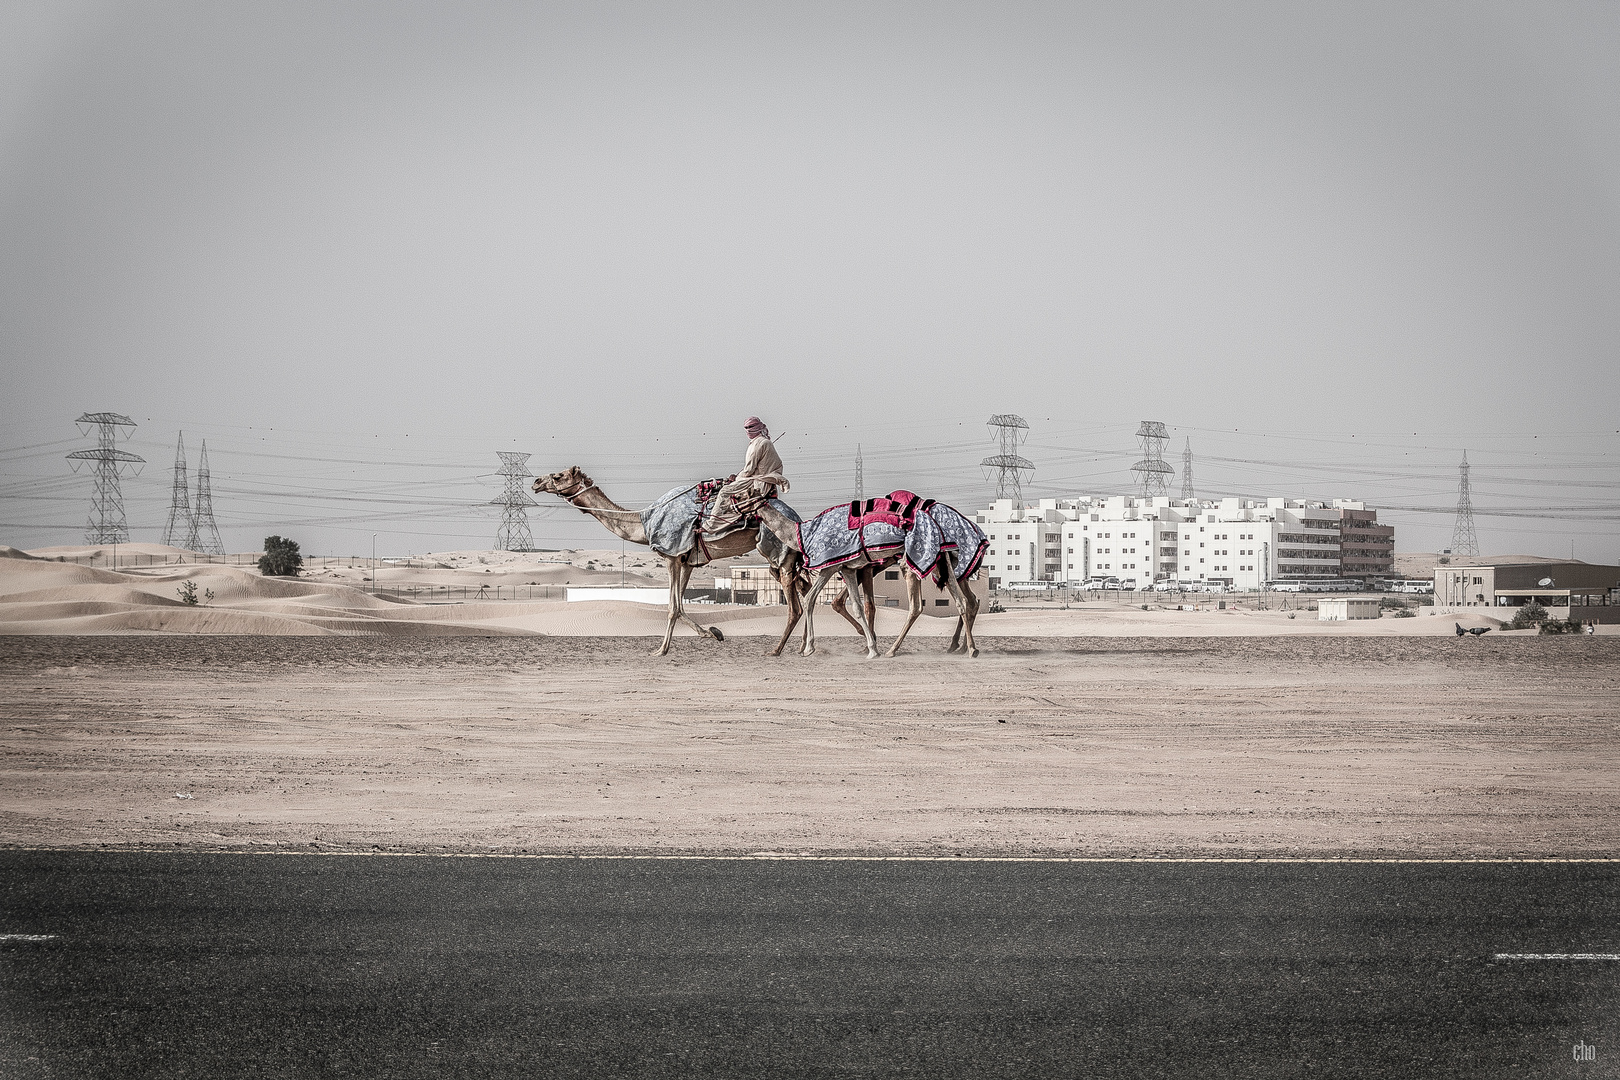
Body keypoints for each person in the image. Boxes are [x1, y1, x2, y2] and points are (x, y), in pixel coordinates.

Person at [702, 417, 790, 534]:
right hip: (759, 477)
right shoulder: (759, 442)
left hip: (758, 481)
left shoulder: (759, 444)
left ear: (759, 427)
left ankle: (711, 525)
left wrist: (735, 479)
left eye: (751, 427)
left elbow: (749, 470)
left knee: (724, 492)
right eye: (746, 428)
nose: (748, 430)